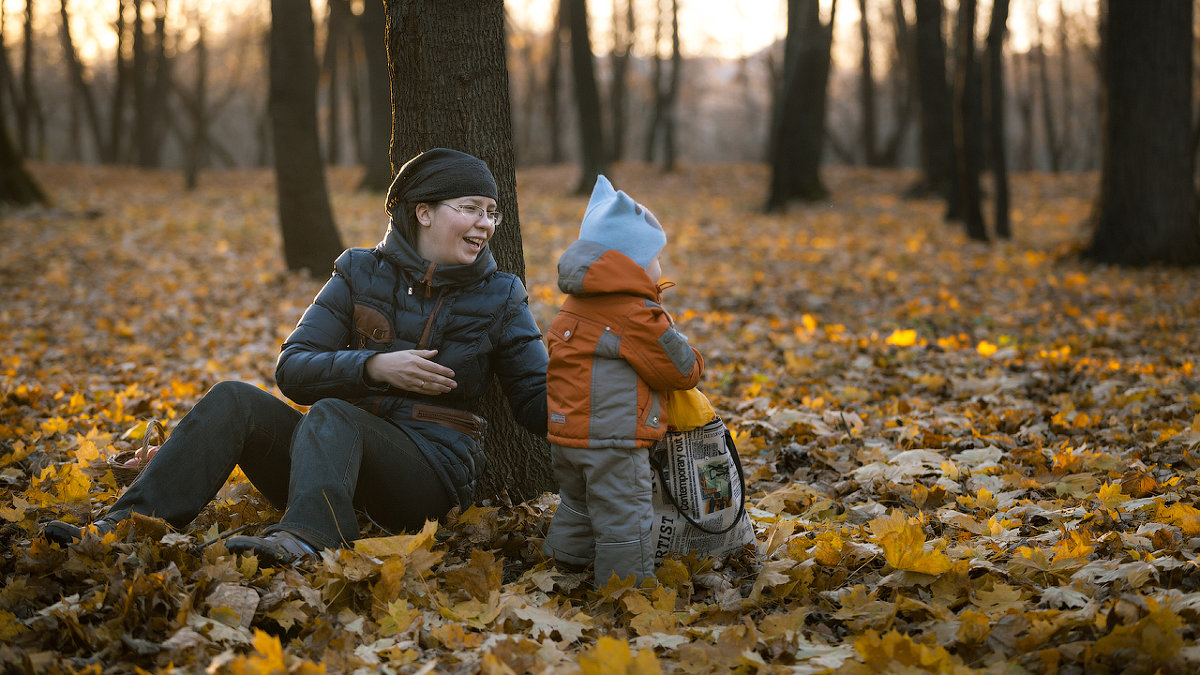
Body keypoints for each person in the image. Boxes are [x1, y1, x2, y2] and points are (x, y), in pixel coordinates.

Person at [43, 148, 549, 564]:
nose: (485, 224)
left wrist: (607, 398)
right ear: (423, 212)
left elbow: (535, 397)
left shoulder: (502, 295)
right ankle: (124, 526)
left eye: (491, 211)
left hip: (427, 475)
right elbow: (293, 368)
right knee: (235, 399)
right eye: (470, 208)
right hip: (325, 466)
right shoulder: (358, 271)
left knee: (334, 413)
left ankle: (306, 540)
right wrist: (373, 366)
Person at [541, 175, 703, 587]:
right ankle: (624, 592)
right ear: (632, 262)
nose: (660, 267)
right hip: (614, 442)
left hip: (565, 435)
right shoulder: (637, 315)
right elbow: (680, 370)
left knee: (577, 504)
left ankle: (564, 564)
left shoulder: (573, 303)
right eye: (656, 257)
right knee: (624, 518)